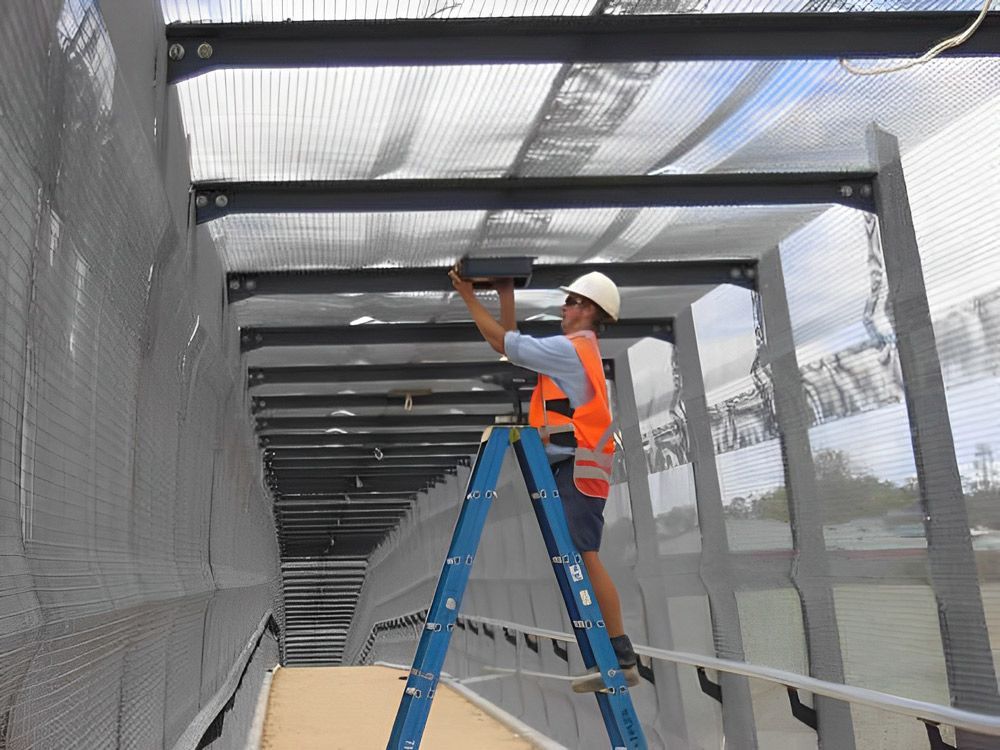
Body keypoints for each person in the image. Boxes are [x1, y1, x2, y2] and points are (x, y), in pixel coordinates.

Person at [448, 266, 639, 692]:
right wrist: (505, 293)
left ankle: (621, 656)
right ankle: (607, 656)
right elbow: (511, 345)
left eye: (571, 302)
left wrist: (467, 295)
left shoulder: (571, 350)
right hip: (574, 466)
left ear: (588, 310)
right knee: (580, 556)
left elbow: (502, 344)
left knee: (585, 557)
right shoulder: (577, 350)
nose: (564, 307)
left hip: (578, 467)